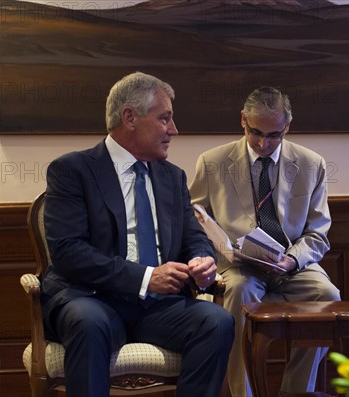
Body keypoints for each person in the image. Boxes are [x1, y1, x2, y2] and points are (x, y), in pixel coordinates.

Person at [42, 72, 234, 397]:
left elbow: (193, 236)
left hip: (159, 307)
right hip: (91, 297)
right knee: (88, 323)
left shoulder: (173, 177)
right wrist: (145, 278)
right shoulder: (72, 171)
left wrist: (202, 259)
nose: (174, 130)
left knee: (217, 321)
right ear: (129, 117)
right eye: (165, 119)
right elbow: (68, 252)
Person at [189, 86, 340, 397]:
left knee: (328, 293)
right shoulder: (212, 162)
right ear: (243, 120)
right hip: (238, 265)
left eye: (274, 135)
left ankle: (296, 391)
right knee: (240, 290)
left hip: (291, 264)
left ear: (287, 126)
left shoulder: (312, 164)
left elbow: (318, 232)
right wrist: (215, 249)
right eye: (255, 132)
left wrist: (292, 259)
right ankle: (243, 393)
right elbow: (196, 220)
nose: (263, 142)